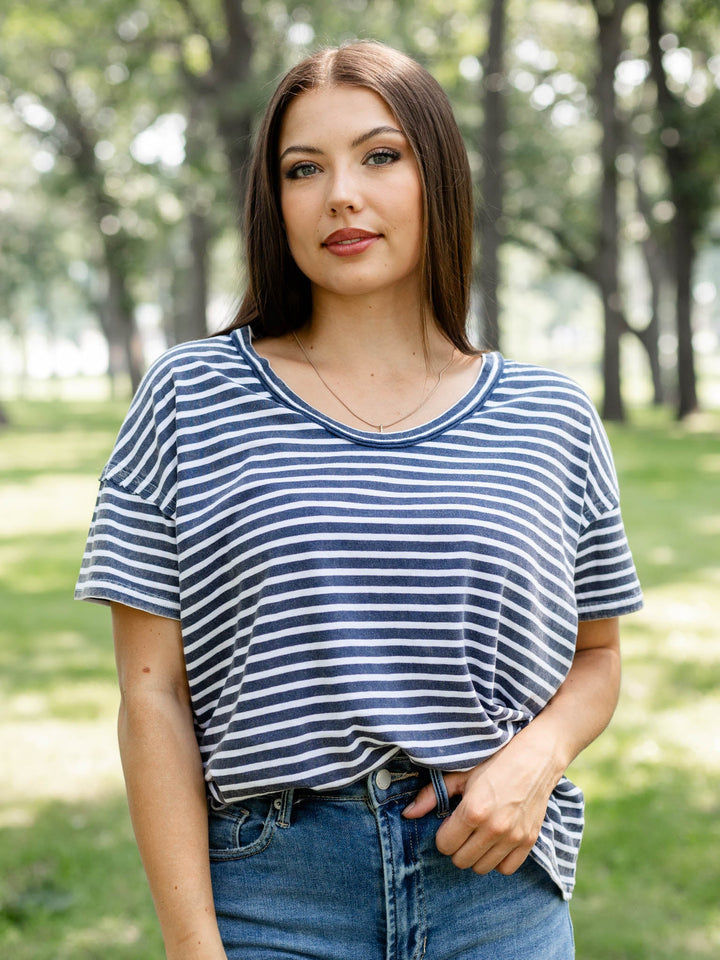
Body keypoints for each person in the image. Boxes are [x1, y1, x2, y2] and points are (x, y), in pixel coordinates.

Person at [76, 40, 643, 960]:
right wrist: (193, 946)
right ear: (275, 201)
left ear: (438, 177)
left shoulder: (550, 415)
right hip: (273, 901)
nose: (341, 194)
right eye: (304, 169)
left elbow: (600, 656)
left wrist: (536, 759)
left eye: (380, 156)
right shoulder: (189, 397)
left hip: (494, 895)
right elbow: (152, 695)